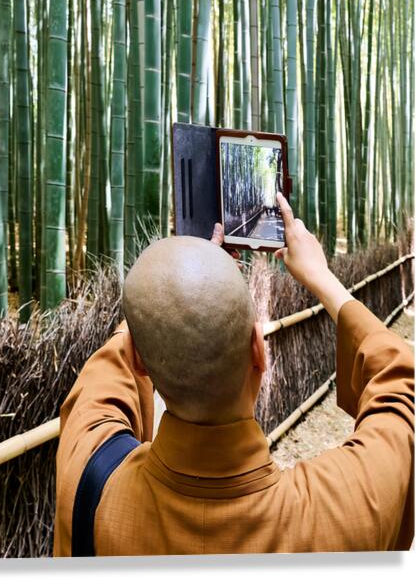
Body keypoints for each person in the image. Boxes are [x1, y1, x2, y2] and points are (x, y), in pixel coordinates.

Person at [53, 193, 414, 555]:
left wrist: (184, 289)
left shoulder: (90, 475)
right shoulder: (340, 511)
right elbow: (402, 382)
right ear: (258, 349)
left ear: (139, 362)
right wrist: (320, 276)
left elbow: (116, 361)